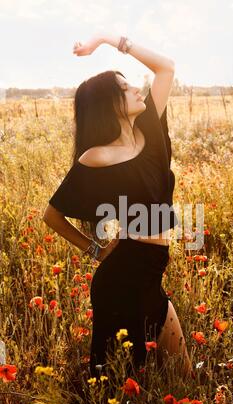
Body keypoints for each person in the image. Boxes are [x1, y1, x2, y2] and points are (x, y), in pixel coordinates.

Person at [42, 32, 194, 380]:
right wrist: (94, 249)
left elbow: (166, 68)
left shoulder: (150, 132)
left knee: (184, 377)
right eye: (124, 88)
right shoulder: (97, 157)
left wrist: (109, 40)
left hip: (151, 274)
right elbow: (52, 214)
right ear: (109, 104)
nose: (136, 89)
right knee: (120, 387)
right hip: (122, 279)